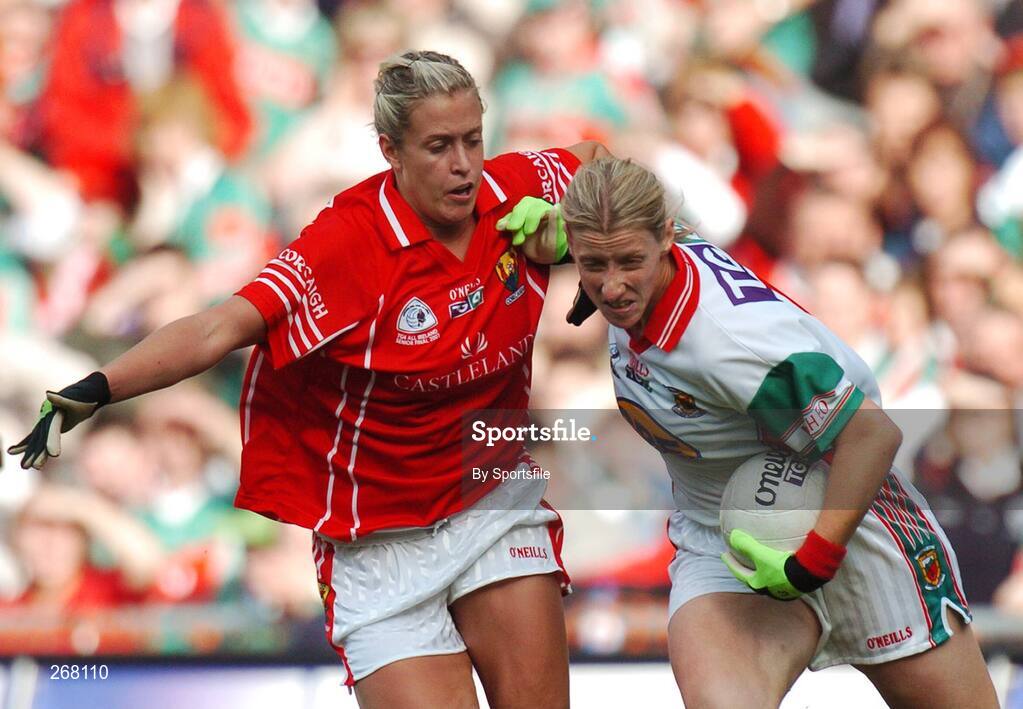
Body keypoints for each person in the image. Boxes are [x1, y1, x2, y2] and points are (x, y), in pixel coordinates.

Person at [8, 50, 608, 709]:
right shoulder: (344, 243)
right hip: (377, 542)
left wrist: (581, 228)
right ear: (390, 150)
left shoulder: (512, 187)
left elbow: (604, 164)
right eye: (438, 146)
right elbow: (217, 327)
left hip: (490, 502)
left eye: (472, 139)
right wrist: (92, 389)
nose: (464, 164)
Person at [558, 157, 999, 708]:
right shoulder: (625, 240)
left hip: (852, 524)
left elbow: (871, 436)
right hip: (723, 539)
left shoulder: (730, 344)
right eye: (592, 263)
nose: (613, 284)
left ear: (668, 237)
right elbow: (596, 161)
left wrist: (816, 558)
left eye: (629, 261)